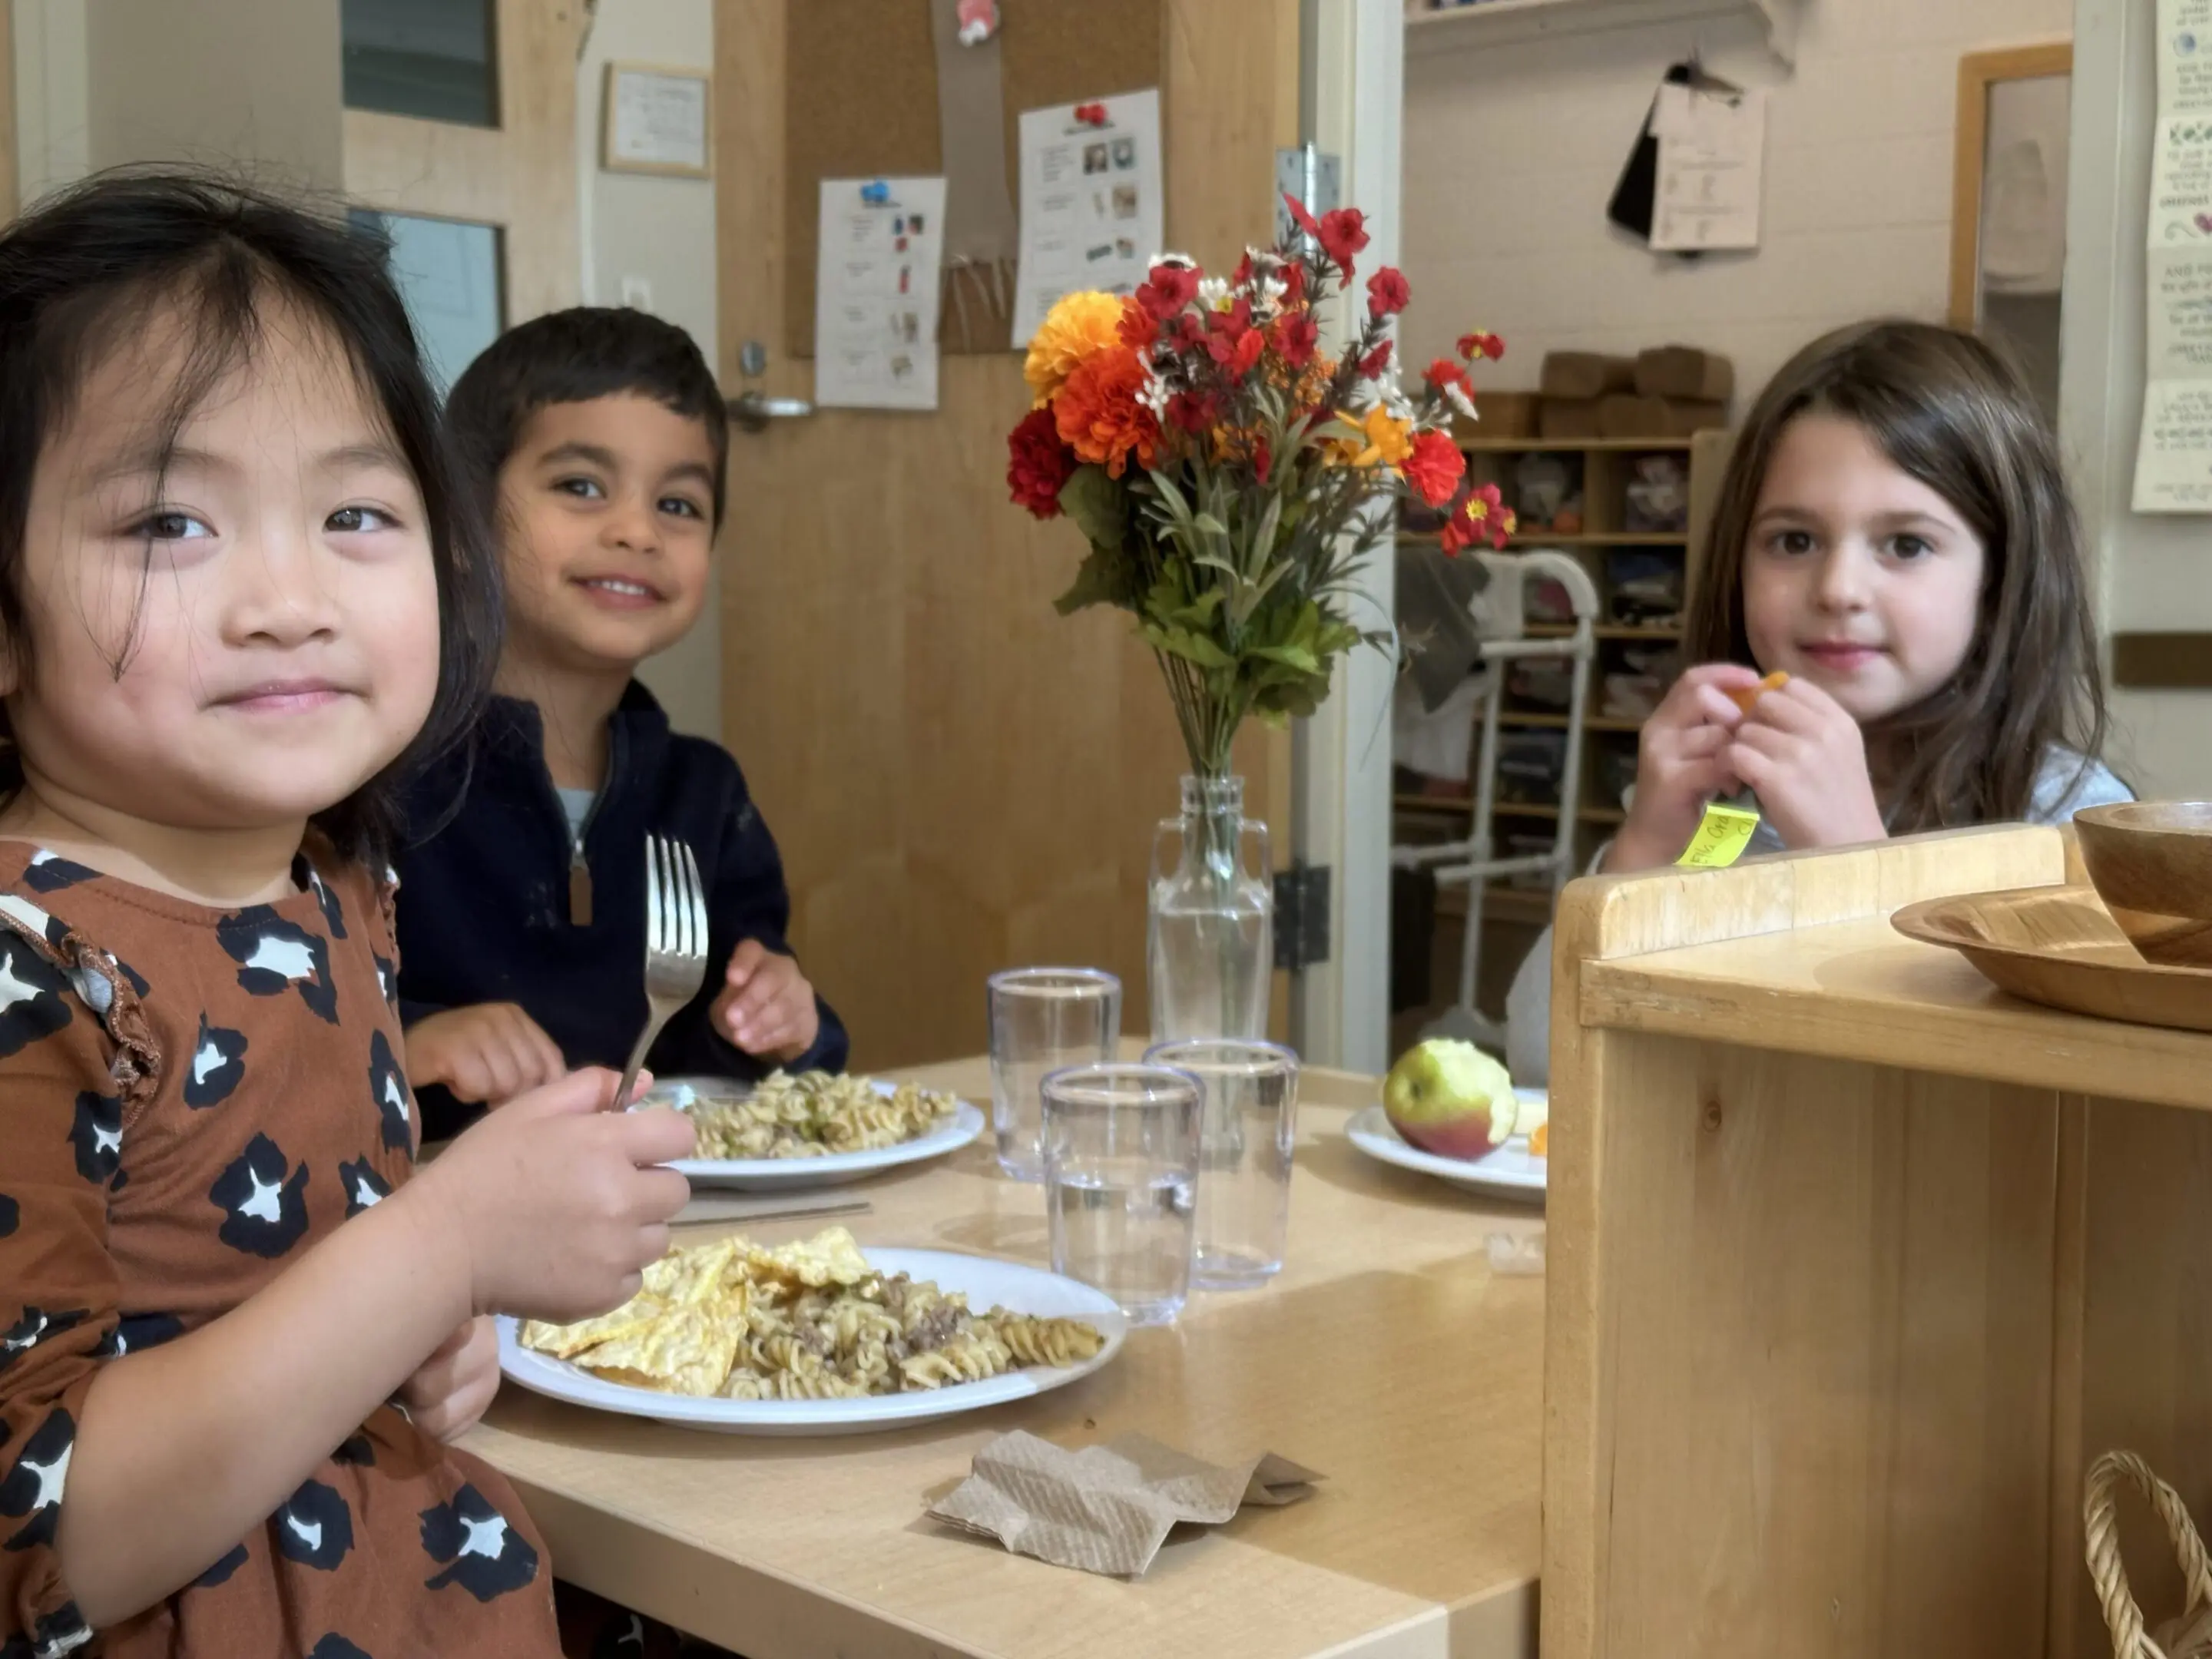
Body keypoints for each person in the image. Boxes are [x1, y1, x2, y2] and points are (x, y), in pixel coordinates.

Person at [0, 172, 697, 1657]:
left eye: (356, 512)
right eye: (173, 521)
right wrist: (441, 1251)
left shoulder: (332, 888)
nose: (288, 595)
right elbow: (40, 1537)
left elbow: (282, 1290)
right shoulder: (28, 962)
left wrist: (422, 1346)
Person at [1505, 320, 2131, 1087]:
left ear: (1999, 581)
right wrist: (1643, 849)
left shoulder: (2065, 823)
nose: (1837, 590)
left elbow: (2015, 1121)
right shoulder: (1724, 805)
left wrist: (1860, 866)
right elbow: (1539, 1065)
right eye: (1794, 542)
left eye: (1905, 545)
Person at [393, 310, 846, 1141]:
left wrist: (794, 1023)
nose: (637, 530)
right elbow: (297, 1037)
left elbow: (751, 1060)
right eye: (580, 486)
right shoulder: (381, 784)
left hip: (675, 1229)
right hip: (449, 1226)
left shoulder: (705, 795)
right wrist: (413, 1037)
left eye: (678, 503)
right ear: (461, 528)